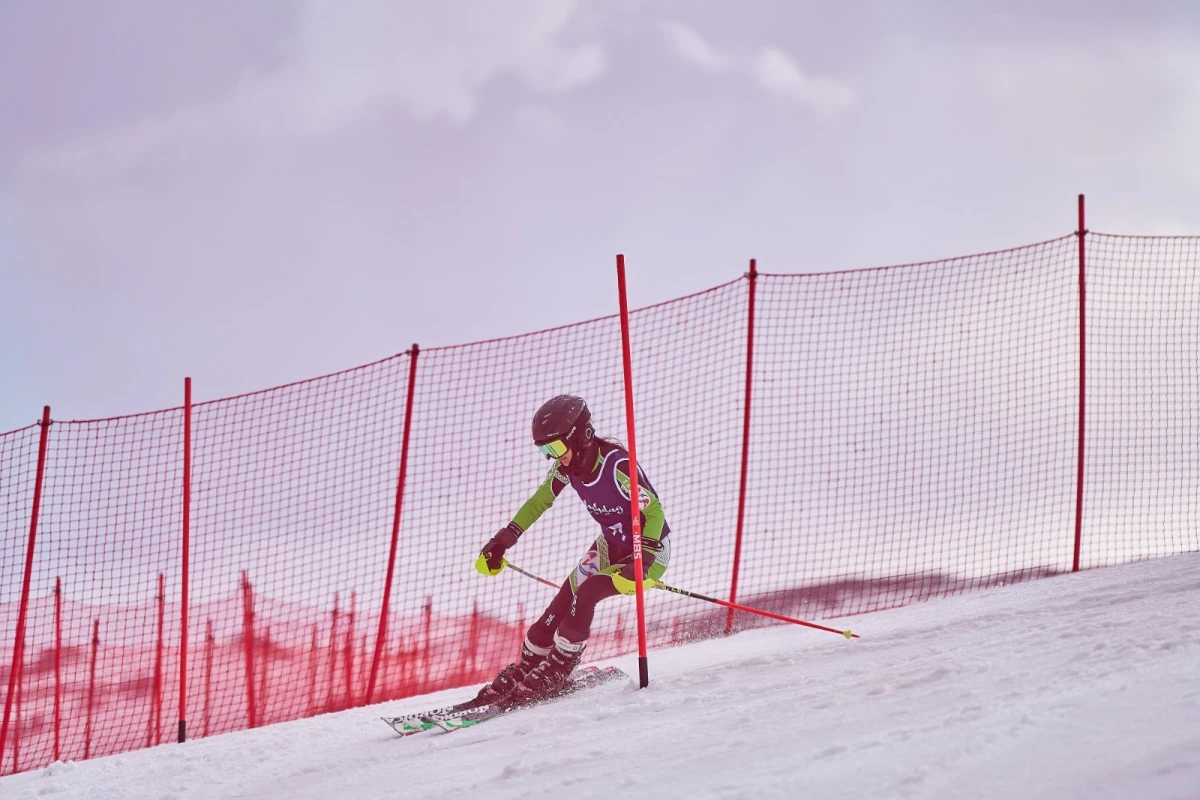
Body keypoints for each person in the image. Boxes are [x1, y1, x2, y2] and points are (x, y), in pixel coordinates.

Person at [469, 394, 671, 708]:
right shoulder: (567, 469)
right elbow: (539, 502)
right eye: (544, 451)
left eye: (556, 448)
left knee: (587, 592)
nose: (553, 457)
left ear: (581, 436)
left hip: (648, 551)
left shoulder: (616, 465)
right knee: (566, 595)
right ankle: (530, 664)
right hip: (609, 545)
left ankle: (560, 668)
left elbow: (654, 511)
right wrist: (502, 541)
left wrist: (642, 559)